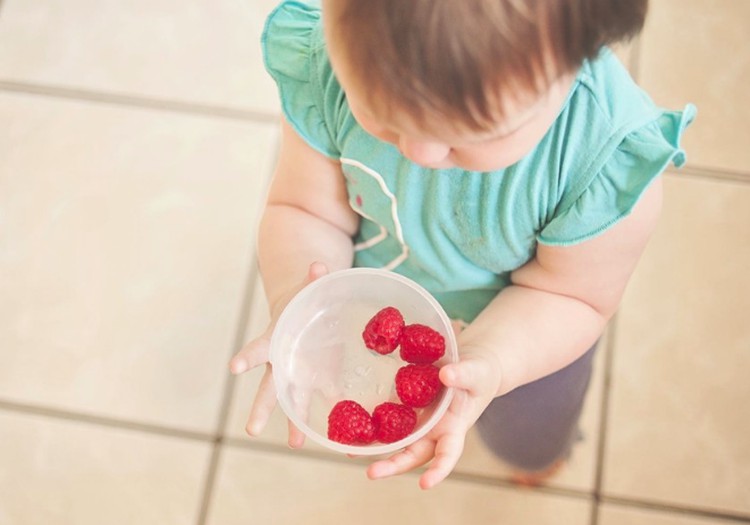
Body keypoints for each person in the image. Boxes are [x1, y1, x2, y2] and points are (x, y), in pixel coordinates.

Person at [229, 0, 695, 489]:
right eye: (382, 114)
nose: (420, 152)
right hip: (382, 300)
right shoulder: (330, 63)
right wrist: (296, 299)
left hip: (529, 339)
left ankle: (536, 460)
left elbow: (572, 296)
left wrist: (493, 360)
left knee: (528, 435)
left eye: (469, 135)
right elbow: (307, 210)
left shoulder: (602, 160)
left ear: (577, 58)